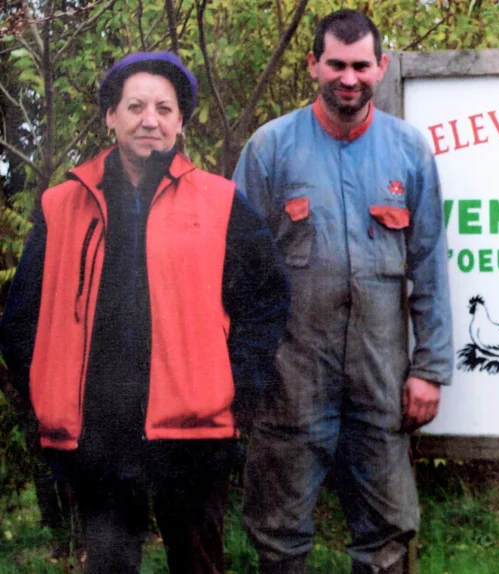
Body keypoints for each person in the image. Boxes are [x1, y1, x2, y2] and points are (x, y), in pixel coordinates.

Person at [0, 51, 289, 574]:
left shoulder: (221, 202)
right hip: (98, 431)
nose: (149, 120)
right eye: (134, 106)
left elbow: (267, 299)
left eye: (163, 107)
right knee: (109, 563)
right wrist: (47, 393)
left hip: (193, 435)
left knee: (198, 563)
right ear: (111, 116)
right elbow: (20, 318)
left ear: (180, 121)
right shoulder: (60, 205)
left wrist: (238, 386)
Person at [233, 9, 453, 574]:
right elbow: (236, 276)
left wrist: (429, 369)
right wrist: (244, 376)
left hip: (380, 382)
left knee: (387, 530)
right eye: (336, 64)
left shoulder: (410, 152)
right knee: (279, 533)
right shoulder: (268, 150)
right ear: (313, 65)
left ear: (380, 68)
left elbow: (429, 266)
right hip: (290, 381)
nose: (348, 78)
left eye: (360, 65)